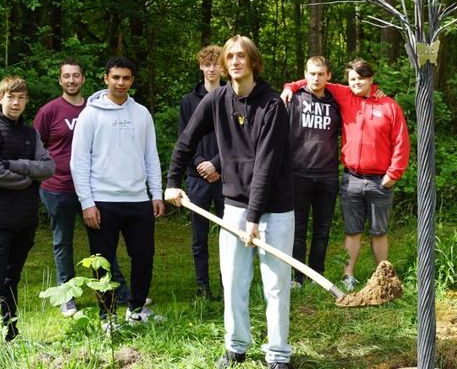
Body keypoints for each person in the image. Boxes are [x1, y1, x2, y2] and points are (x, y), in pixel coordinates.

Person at [166, 35, 295, 369]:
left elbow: (265, 163)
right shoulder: (217, 100)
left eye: (242, 56)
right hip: (235, 206)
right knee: (233, 280)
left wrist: (254, 219)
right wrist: (173, 183)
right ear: (223, 64)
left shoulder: (272, 106)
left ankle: (278, 354)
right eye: (230, 56)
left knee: (275, 285)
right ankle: (237, 346)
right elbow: (186, 140)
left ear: (253, 61)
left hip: (275, 210)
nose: (235, 61)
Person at [282, 58, 410, 292]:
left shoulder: (389, 105)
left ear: (371, 79)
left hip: (380, 179)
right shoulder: (343, 94)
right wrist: (289, 87)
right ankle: (347, 276)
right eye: (352, 79)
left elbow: (402, 142)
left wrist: (393, 173)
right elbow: (313, 81)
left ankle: (383, 277)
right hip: (351, 177)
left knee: (379, 231)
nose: (356, 82)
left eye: (361, 78)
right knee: (352, 230)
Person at [70, 56, 164, 327]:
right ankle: (106, 316)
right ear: (106, 78)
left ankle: (135, 310)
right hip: (102, 202)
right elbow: (79, 162)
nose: (120, 83)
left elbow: (151, 156)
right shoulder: (89, 114)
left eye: (126, 78)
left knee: (144, 257)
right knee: (102, 262)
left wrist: (155, 194)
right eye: (116, 77)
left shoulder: (142, 113)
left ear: (132, 80)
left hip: (138, 200)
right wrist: (87, 203)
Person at [33, 59, 131, 317]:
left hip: (93, 187)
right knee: (62, 242)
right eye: (66, 76)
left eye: (76, 76)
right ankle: (67, 296)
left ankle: (117, 291)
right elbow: (35, 146)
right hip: (59, 188)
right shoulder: (49, 111)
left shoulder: (96, 107)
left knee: (102, 242)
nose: (71, 80)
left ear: (84, 79)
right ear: (60, 80)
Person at [0, 76, 55, 340]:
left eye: (21, 97)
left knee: (12, 280)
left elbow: (48, 167)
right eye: (11, 97)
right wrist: (26, 179)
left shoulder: (31, 134)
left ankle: (11, 333)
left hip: (26, 218)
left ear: (26, 100)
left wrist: (17, 165)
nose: (16, 102)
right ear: (0, 98)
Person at [287, 56, 342, 286]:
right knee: (298, 230)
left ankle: (316, 275)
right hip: (298, 174)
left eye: (320, 74)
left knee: (323, 229)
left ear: (328, 76)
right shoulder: (294, 99)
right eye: (311, 73)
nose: (316, 78)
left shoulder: (336, 104)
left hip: (327, 176)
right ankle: (298, 277)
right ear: (305, 74)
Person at [178, 45, 225, 298]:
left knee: (230, 236)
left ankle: (228, 285)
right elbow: (184, 139)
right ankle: (202, 288)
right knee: (200, 237)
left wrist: (216, 164)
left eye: (216, 64)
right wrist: (201, 164)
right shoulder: (188, 101)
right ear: (201, 66)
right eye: (207, 64)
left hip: (227, 177)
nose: (211, 68)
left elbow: (238, 141)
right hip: (197, 178)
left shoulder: (232, 97)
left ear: (222, 67)